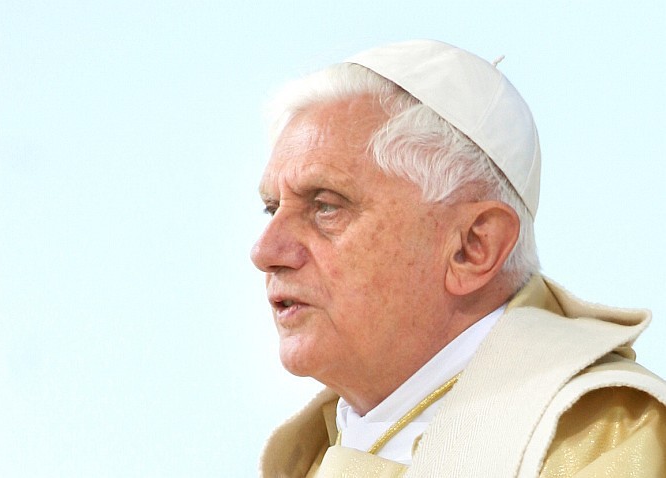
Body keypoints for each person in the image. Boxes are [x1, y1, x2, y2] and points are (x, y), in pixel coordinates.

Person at [250, 39, 666, 477]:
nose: (265, 252)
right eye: (273, 208)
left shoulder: (608, 440)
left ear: (472, 247)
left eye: (325, 206)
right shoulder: (311, 455)